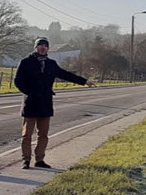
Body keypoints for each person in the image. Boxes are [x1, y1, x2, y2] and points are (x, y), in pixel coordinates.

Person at [14, 37, 94, 169]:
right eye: (40, 45)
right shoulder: (26, 62)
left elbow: (65, 74)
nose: (43, 48)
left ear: (48, 49)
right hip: (31, 103)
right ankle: (26, 160)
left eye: (45, 46)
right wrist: (30, 92)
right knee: (27, 134)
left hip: (45, 103)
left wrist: (84, 81)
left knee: (43, 135)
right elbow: (18, 81)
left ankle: (39, 160)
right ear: (36, 47)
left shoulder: (51, 64)